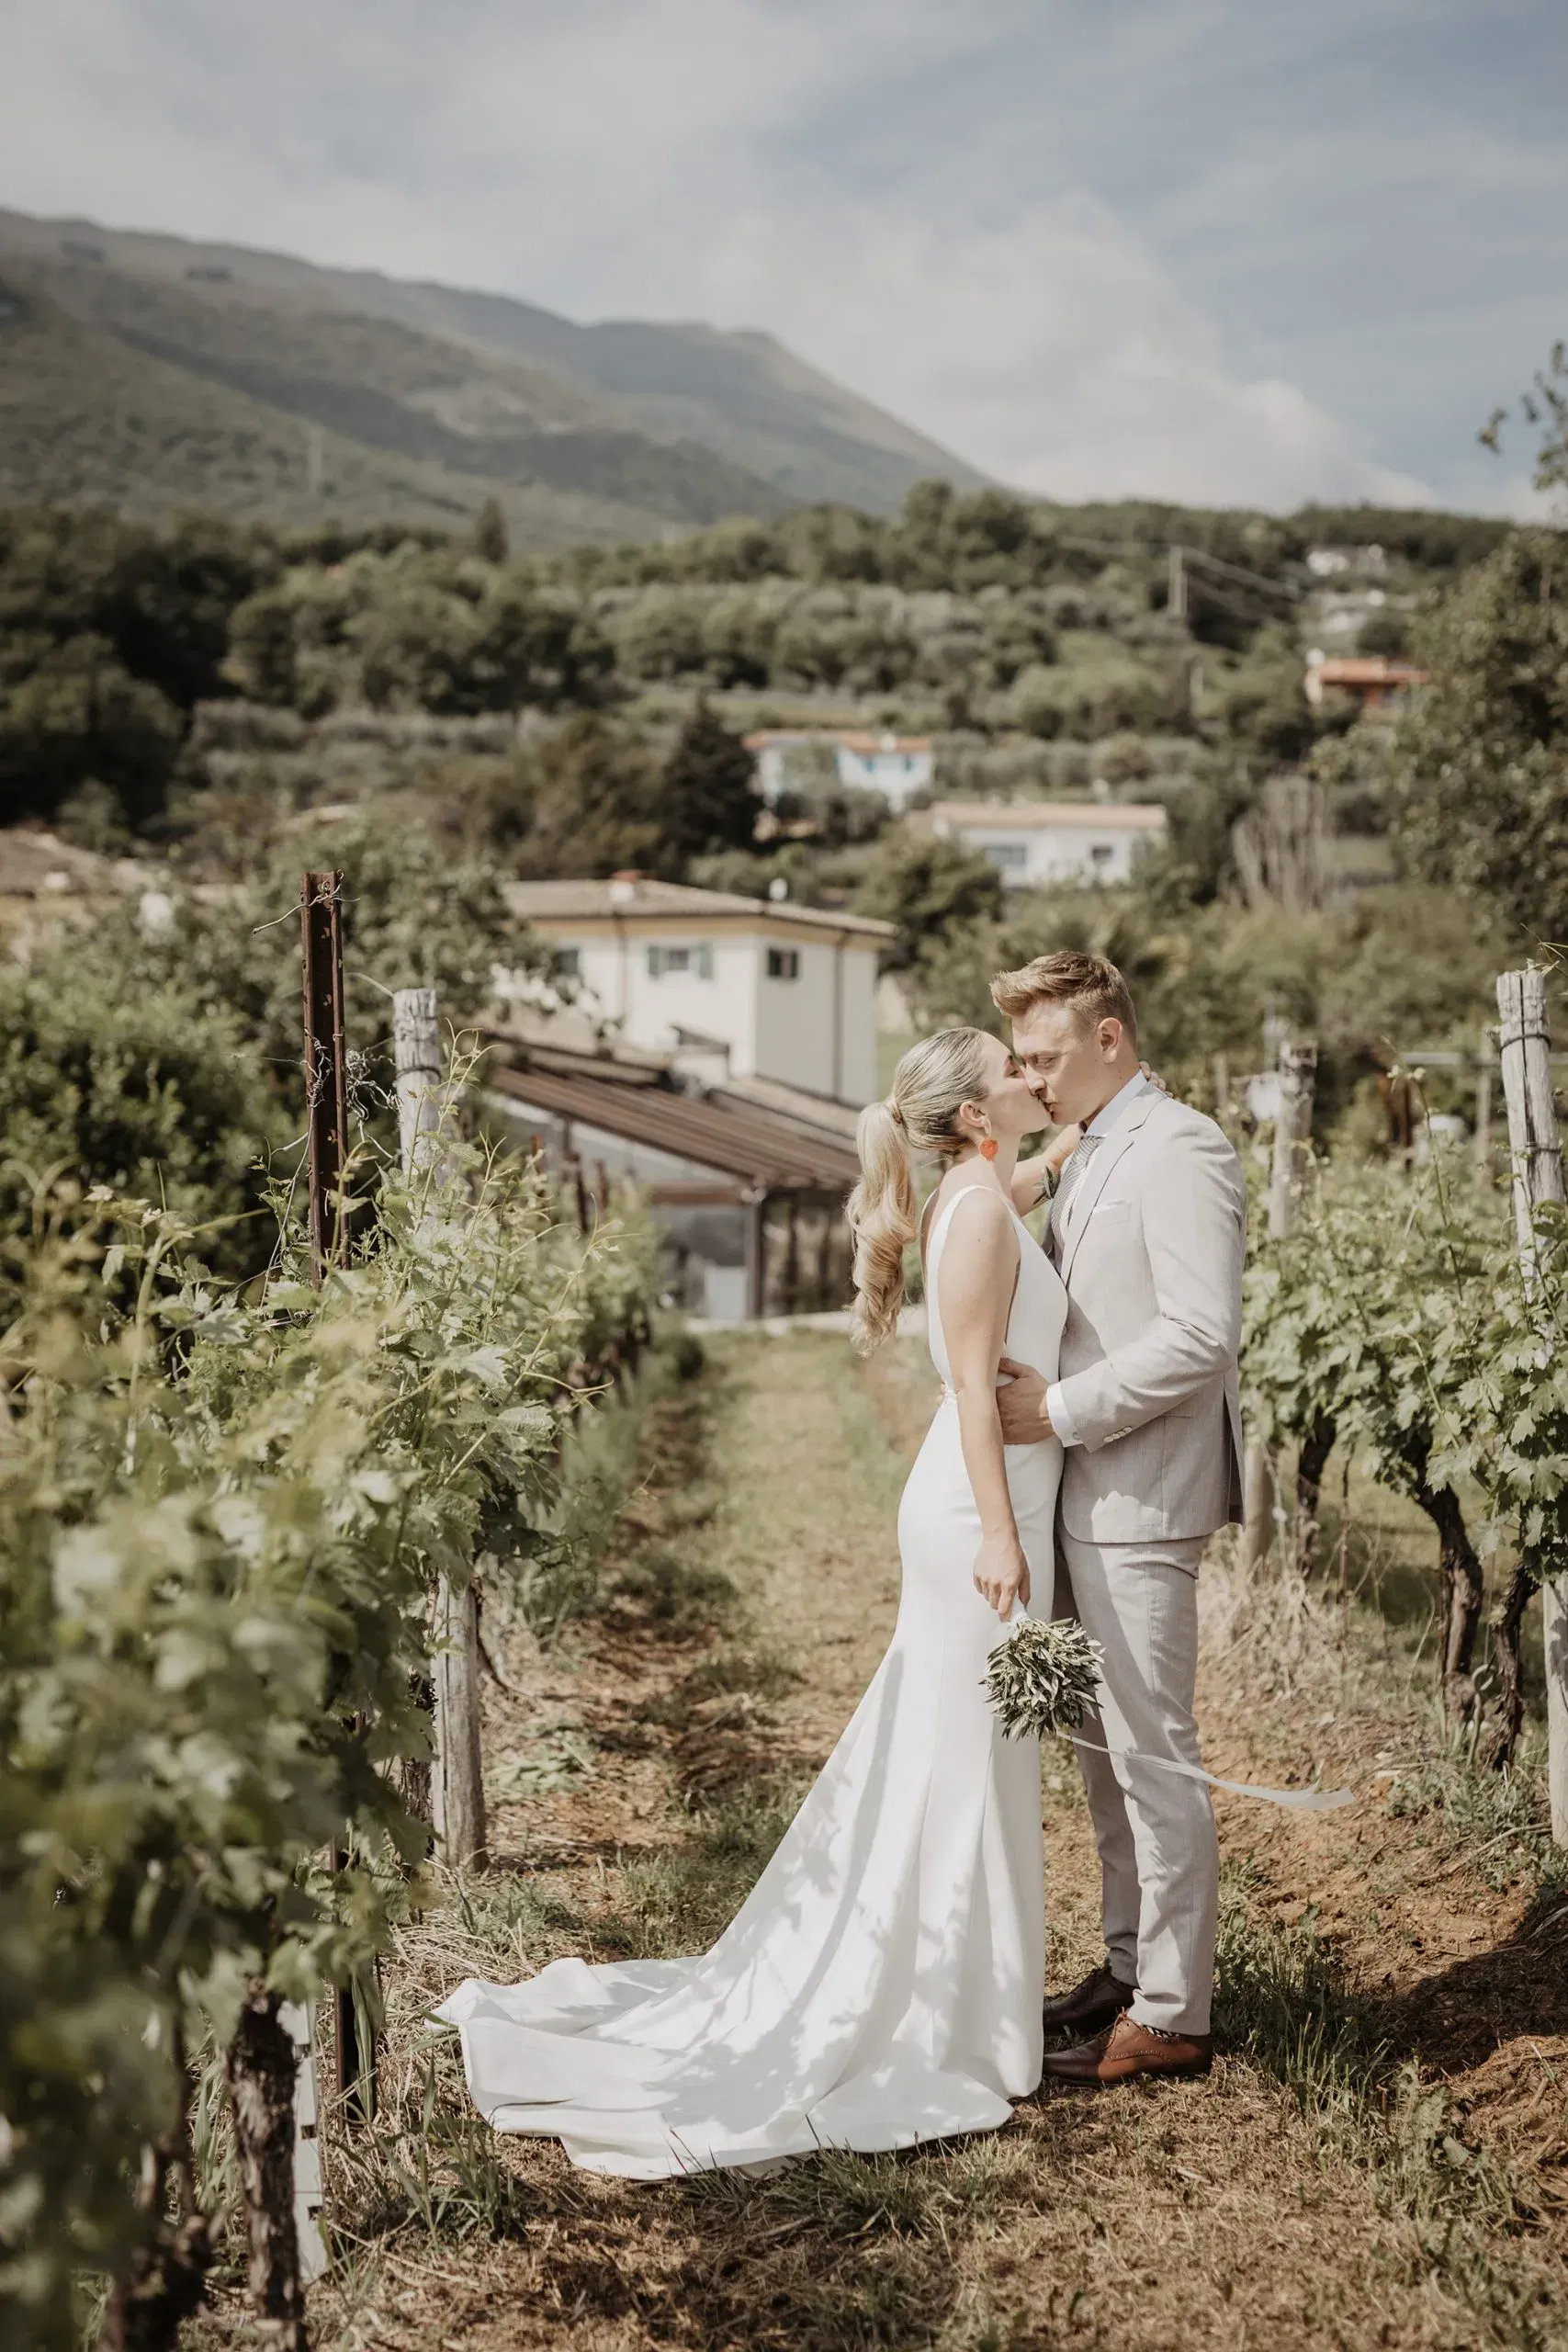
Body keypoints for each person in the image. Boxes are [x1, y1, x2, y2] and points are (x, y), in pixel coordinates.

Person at [435, 1026, 1076, 2177]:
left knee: (955, 1757)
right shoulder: (976, 1212)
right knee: (962, 1763)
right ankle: (948, 2014)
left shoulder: (978, 1192)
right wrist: (999, 1532)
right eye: (1013, 1069)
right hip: (978, 1514)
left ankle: (970, 2002)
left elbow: (1017, 1189)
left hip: (982, 1502)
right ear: (977, 1116)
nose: (1035, 1075)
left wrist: (1074, 1145)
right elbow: (978, 1393)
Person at [990, 951, 1246, 2088]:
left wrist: (1057, 1409)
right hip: (1084, 1495)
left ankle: (1175, 2012)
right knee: (1103, 1759)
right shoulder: (1091, 1144)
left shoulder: (1182, 1147)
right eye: (1022, 1061)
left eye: (1046, 1057)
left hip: (1142, 1493)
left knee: (1154, 1757)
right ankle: (1130, 1963)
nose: (1032, 1079)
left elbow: (1199, 1334)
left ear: (1110, 1038)